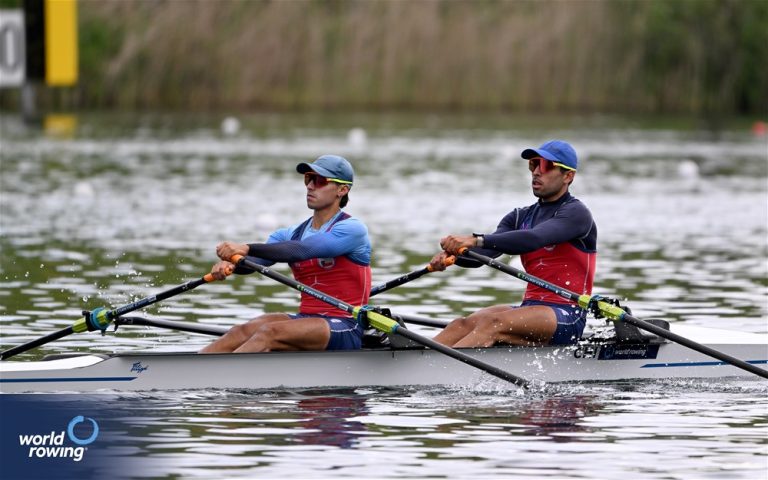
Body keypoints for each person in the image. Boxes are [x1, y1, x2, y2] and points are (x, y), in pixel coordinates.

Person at [429, 140, 597, 348]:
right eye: (533, 164)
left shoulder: (576, 214)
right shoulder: (519, 217)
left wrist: (474, 239)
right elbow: (485, 254)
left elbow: (534, 238)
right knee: (460, 325)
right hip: (530, 307)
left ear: (568, 176)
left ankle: (446, 366)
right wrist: (453, 256)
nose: (537, 172)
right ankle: (418, 361)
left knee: (493, 323)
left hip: (567, 313)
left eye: (546, 166)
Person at [200, 155, 371, 353]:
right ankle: (196, 365)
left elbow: (303, 250)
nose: (310, 186)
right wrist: (232, 264)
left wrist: (246, 248)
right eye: (308, 179)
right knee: (241, 331)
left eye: (320, 181)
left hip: (346, 323)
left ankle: (224, 371)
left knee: (269, 332)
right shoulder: (289, 234)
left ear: (342, 190)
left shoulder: (352, 229)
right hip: (307, 318)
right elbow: (256, 261)